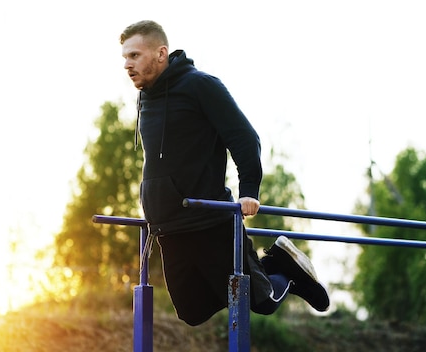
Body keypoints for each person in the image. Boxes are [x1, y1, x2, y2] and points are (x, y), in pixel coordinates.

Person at [120, 20, 329, 326]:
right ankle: (267, 266)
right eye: (124, 57)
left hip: (209, 220)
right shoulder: (146, 98)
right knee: (191, 312)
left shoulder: (200, 86)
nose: (127, 64)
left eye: (135, 55)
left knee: (260, 301)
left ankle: (283, 271)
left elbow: (244, 138)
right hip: (168, 227)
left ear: (161, 53)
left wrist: (249, 192)